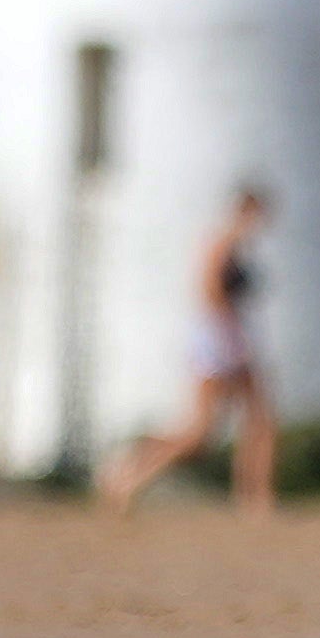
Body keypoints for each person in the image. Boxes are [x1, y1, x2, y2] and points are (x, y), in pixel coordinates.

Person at [99, 185, 280, 520]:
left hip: (222, 339)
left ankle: (254, 497)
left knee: (257, 421)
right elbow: (210, 292)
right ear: (247, 210)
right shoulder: (222, 243)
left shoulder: (231, 244)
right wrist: (233, 338)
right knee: (202, 433)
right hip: (222, 341)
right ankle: (129, 475)